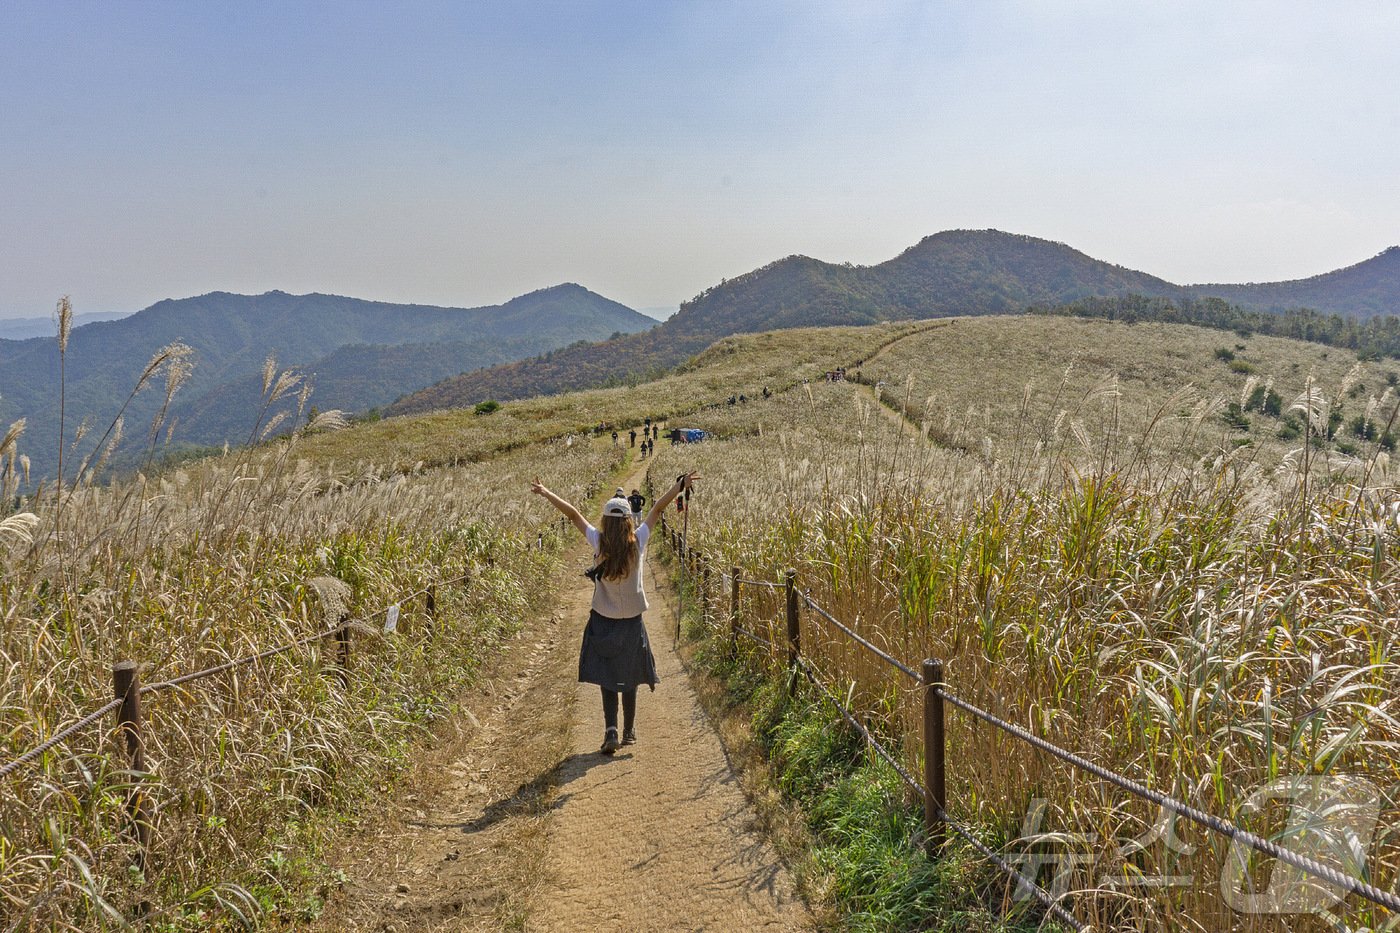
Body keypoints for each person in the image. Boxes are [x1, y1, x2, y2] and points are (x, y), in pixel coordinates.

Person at [531, 472, 699, 754]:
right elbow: (657, 507)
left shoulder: (599, 543)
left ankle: (610, 730)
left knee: (608, 676)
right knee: (630, 674)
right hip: (632, 621)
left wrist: (546, 492)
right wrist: (680, 486)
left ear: (606, 521)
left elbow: (573, 514)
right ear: (628, 520)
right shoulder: (639, 542)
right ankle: (629, 730)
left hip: (603, 621)